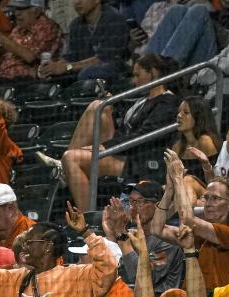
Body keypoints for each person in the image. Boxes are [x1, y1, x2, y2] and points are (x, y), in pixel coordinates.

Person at [54, 54, 180, 207]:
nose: (134, 81)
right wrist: (111, 107)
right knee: (98, 106)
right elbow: (125, 128)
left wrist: (107, 146)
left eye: (137, 75)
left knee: (71, 158)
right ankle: (64, 168)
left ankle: (87, 218)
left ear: (152, 72)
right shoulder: (141, 101)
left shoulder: (168, 102)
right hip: (123, 150)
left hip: (138, 160)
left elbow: (143, 136)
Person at [153, 153, 229, 290]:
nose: (208, 204)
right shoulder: (201, 234)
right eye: (206, 198)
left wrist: (178, 180)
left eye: (215, 198)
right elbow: (157, 228)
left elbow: (187, 219)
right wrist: (169, 190)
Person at [106, 181, 185, 296]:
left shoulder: (168, 240)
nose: (132, 207)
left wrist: (121, 234)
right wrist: (111, 235)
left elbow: (140, 278)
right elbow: (119, 272)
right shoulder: (131, 235)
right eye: (131, 202)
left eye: (140, 202)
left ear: (158, 206)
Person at [37, 0, 129, 81]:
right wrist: (52, 68)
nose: (77, 2)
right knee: (53, 77)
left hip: (114, 70)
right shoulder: (76, 25)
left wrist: (67, 67)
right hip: (81, 70)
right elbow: (70, 57)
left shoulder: (114, 19)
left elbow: (104, 59)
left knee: (88, 73)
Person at [0, 0, 63, 81]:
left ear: (37, 11)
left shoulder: (48, 27)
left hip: (32, 82)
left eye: (22, 9)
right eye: (16, 9)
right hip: (7, 80)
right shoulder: (18, 29)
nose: (17, 13)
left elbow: (30, 57)